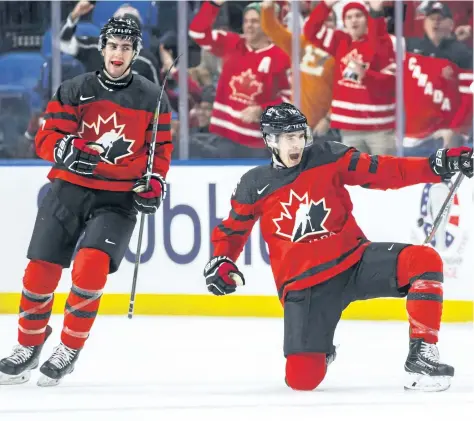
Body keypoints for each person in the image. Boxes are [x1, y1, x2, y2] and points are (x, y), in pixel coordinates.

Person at [203, 102, 473, 392]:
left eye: (299, 136)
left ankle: (422, 354)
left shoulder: (327, 156)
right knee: (302, 380)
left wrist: (434, 165)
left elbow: (384, 171)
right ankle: (320, 348)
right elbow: (231, 231)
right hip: (305, 288)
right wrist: (222, 259)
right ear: (270, 140)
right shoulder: (253, 184)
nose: (295, 144)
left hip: (355, 262)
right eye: (287, 138)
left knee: (423, 260)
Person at [0, 17, 172, 387]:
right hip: (68, 189)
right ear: (102, 49)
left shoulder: (151, 97)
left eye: (126, 48)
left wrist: (154, 183)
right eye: (113, 46)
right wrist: (66, 150)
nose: (118, 53)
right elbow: (47, 137)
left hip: (118, 197)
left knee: (91, 266)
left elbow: (160, 151)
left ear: (135, 53)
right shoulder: (75, 88)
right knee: (39, 272)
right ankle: (28, 345)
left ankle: (68, 348)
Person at [189, 0, 291, 158]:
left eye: (255, 21)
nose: (249, 25)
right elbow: (197, 32)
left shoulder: (281, 57)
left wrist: (262, 109)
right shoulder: (232, 43)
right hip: (225, 137)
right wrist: (214, 4)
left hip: (259, 144)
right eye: (246, 21)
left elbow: (290, 99)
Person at [303, 0, 397, 156]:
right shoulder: (340, 41)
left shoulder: (384, 43)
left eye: (358, 16)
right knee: (356, 177)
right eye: (349, 17)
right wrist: (326, 5)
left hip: (379, 129)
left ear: (367, 20)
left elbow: (389, 82)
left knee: (386, 177)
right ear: (344, 22)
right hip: (349, 128)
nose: (353, 20)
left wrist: (366, 76)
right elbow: (310, 31)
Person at [59, 0, 160, 85]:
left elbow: (158, 99)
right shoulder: (95, 47)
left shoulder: (147, 60)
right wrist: (74, 15)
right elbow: (64, 43)